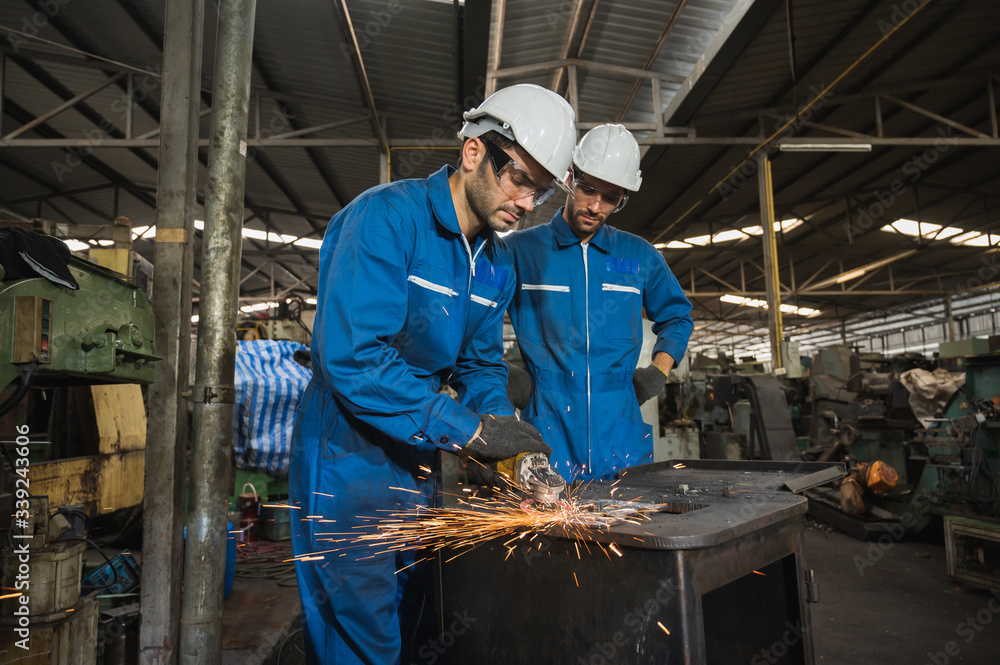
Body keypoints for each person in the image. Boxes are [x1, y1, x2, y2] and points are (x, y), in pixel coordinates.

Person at [288, 83, 577, 665]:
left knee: (416, 610)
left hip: (418, 455)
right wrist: (467, 430)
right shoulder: (386, 219)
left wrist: (504, 433)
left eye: (541, 193)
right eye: (518, 178)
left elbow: (479, 363)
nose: (526, 203)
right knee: (363, 629)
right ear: (474, 151)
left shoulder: (495, 264)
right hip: (348, 452)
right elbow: (353, 357)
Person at [505, 123, 693, 482]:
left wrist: (658, 372)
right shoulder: (520, 251)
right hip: (548, 424)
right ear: (569, 177)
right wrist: (502, 373)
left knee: (627, 533)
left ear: (622, 198)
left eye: (610, 198)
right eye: (587, 189)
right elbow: (475, 317)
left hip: (620, 430)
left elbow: (677, 316)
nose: (594, 206)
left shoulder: (639, 256)